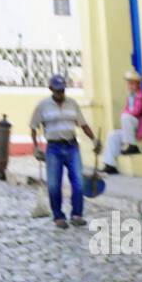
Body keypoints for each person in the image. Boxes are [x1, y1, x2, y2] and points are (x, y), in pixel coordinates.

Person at [30, 73, 99, 229]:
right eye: (57, 90)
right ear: (51, 89)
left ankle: (77, 214)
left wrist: (94, 140)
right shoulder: (43, 106)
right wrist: (35, 147)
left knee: (78, 182)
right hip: (53, 148)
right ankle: (58, 216)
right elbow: (34, 127)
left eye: (62, 90)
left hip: (72, 146)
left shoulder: (72, 104)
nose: (60, 94)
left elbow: (83, 124)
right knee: (54, 184)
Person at [100, 67, 142, 174]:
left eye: (132, 83)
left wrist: (125, 114)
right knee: (112, 135)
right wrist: (125, 114)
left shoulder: (140, 95)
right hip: (129, 127)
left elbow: (137, 111)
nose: (130, 85)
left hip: (137, 125)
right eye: (128, 83)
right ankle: (110, 164)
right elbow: (125, 110)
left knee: (125, 117)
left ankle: (132, 145)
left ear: (137, 84)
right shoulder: (129, 96)